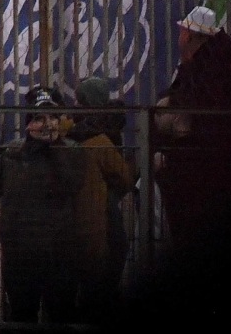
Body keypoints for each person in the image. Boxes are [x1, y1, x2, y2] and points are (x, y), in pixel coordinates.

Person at [0, 88, 83, 324]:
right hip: (20, 255)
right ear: (28, 124)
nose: (48, 124)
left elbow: (72, 185)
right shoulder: (13, 153)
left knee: (61, 317)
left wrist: (53, 152)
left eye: (53, 118)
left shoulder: (72, 150)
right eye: (40, 118)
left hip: (59, 254)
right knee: (22, 317)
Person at [155, 5, 231, 256]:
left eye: (182, 32)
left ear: (190, 36)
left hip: (193, 167)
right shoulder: (219, 67)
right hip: (213, 164)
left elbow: (190, 108)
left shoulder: (200, 71)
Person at [68, 77, 135, 322]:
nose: (75, 105)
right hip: (105, 201)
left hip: (87, 207)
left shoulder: (78, 133)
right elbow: (124, 178)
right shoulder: (111, 126)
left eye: (79, 100)